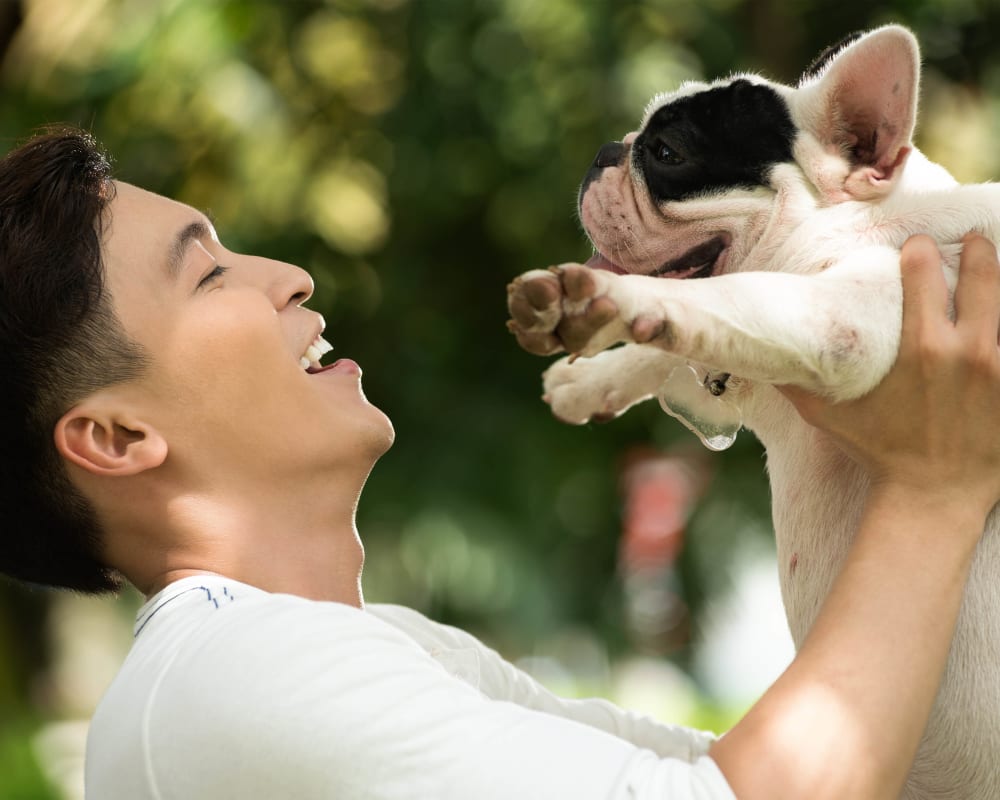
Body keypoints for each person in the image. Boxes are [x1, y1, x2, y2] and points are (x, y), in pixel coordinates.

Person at [1, 126, 998, 800]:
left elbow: (753, 765)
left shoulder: (370, 647)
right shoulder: (228, 672)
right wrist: (935, 486)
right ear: (118, 437)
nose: (286, 275)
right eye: (208, 269)